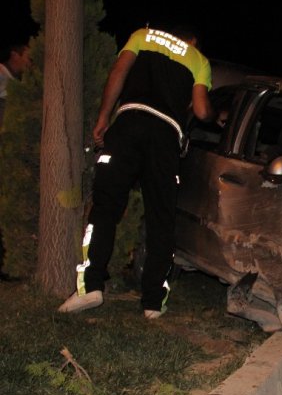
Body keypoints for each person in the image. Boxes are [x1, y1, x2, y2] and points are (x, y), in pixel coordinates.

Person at [58, 25, 214, 318]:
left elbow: (118, 72)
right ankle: (153, 303)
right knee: (161, 218)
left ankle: (90, 287)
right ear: (192, 40)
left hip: (129, 123)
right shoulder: (198, 59)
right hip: (166, 137)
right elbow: (204, 112)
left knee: (105, 207)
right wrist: (202, 110)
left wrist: (104, 117)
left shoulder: (142, 36)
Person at [0, 43, 31, 128]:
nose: (30, 63)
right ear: (14, 55)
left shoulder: (15, 81)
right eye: (28, 58)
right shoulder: (1, 73)